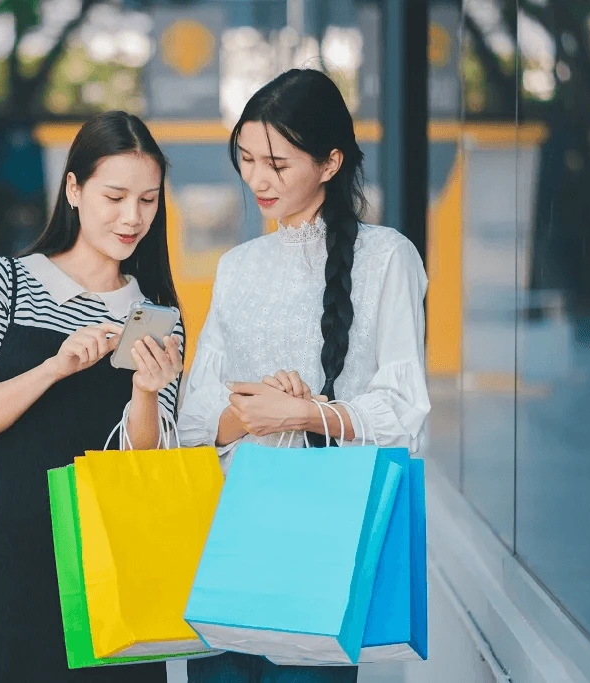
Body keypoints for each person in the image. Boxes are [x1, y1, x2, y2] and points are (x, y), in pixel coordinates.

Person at [178, 68, 431, 682]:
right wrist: (254, 408)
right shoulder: (237, 267)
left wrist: (308, 412)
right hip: (228, 537)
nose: (257, 179)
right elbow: (192, 418)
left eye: (277, 163)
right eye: (245, 158)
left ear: (329, 162)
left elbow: (406, 412)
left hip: (324, 544)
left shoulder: (387, 257)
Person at [0, 111, 184, 683]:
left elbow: (146, 464)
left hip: (110, 572)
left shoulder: (155, 315)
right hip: (5, 559)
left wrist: (146, 393)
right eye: (115, 196)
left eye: (148, 201)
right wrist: (54, 368)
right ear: (73, 189)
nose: (132, 218)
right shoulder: (4, 283)